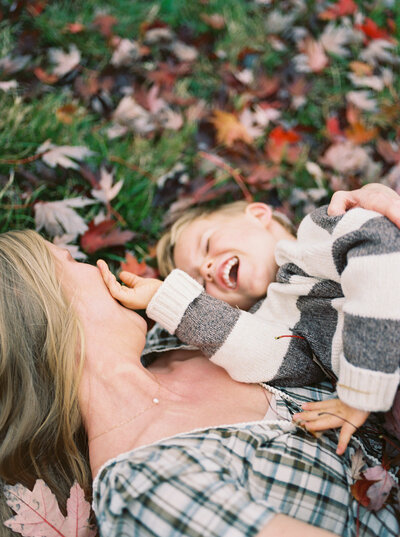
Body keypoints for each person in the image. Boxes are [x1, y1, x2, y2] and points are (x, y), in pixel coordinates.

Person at [0, 186, 398, 537]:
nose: (93, 265)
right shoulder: (148, 492)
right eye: (71, 262)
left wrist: (379, 226)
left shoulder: (168, 337)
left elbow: (311, 295)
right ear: (43, 313)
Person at [98, 183, 400, 455]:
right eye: (199, 286)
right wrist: (167, 300)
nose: (205, 267)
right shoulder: (273, 318)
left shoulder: (319, 232)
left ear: (257, 214)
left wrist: (361, 393)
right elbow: (263, 353)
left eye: (206, 244)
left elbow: (383, 257)